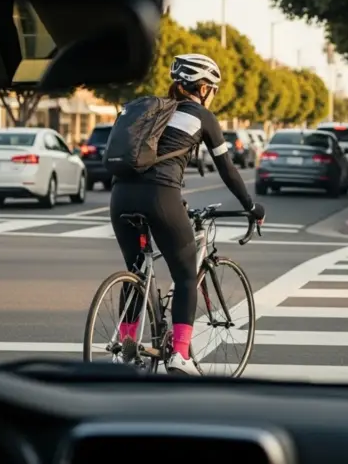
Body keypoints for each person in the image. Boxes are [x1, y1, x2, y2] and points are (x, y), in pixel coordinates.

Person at [109, 53, 265, 376]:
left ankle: (124, 350)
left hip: (120, 195)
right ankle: (180, 355)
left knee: (137, 268)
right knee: (184, 276)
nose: (213, 95)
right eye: (214, 89)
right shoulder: (202, 117)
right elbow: (228, 171)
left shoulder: (153, 112)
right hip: (160, 196)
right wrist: (251, 207)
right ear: (204, 88)